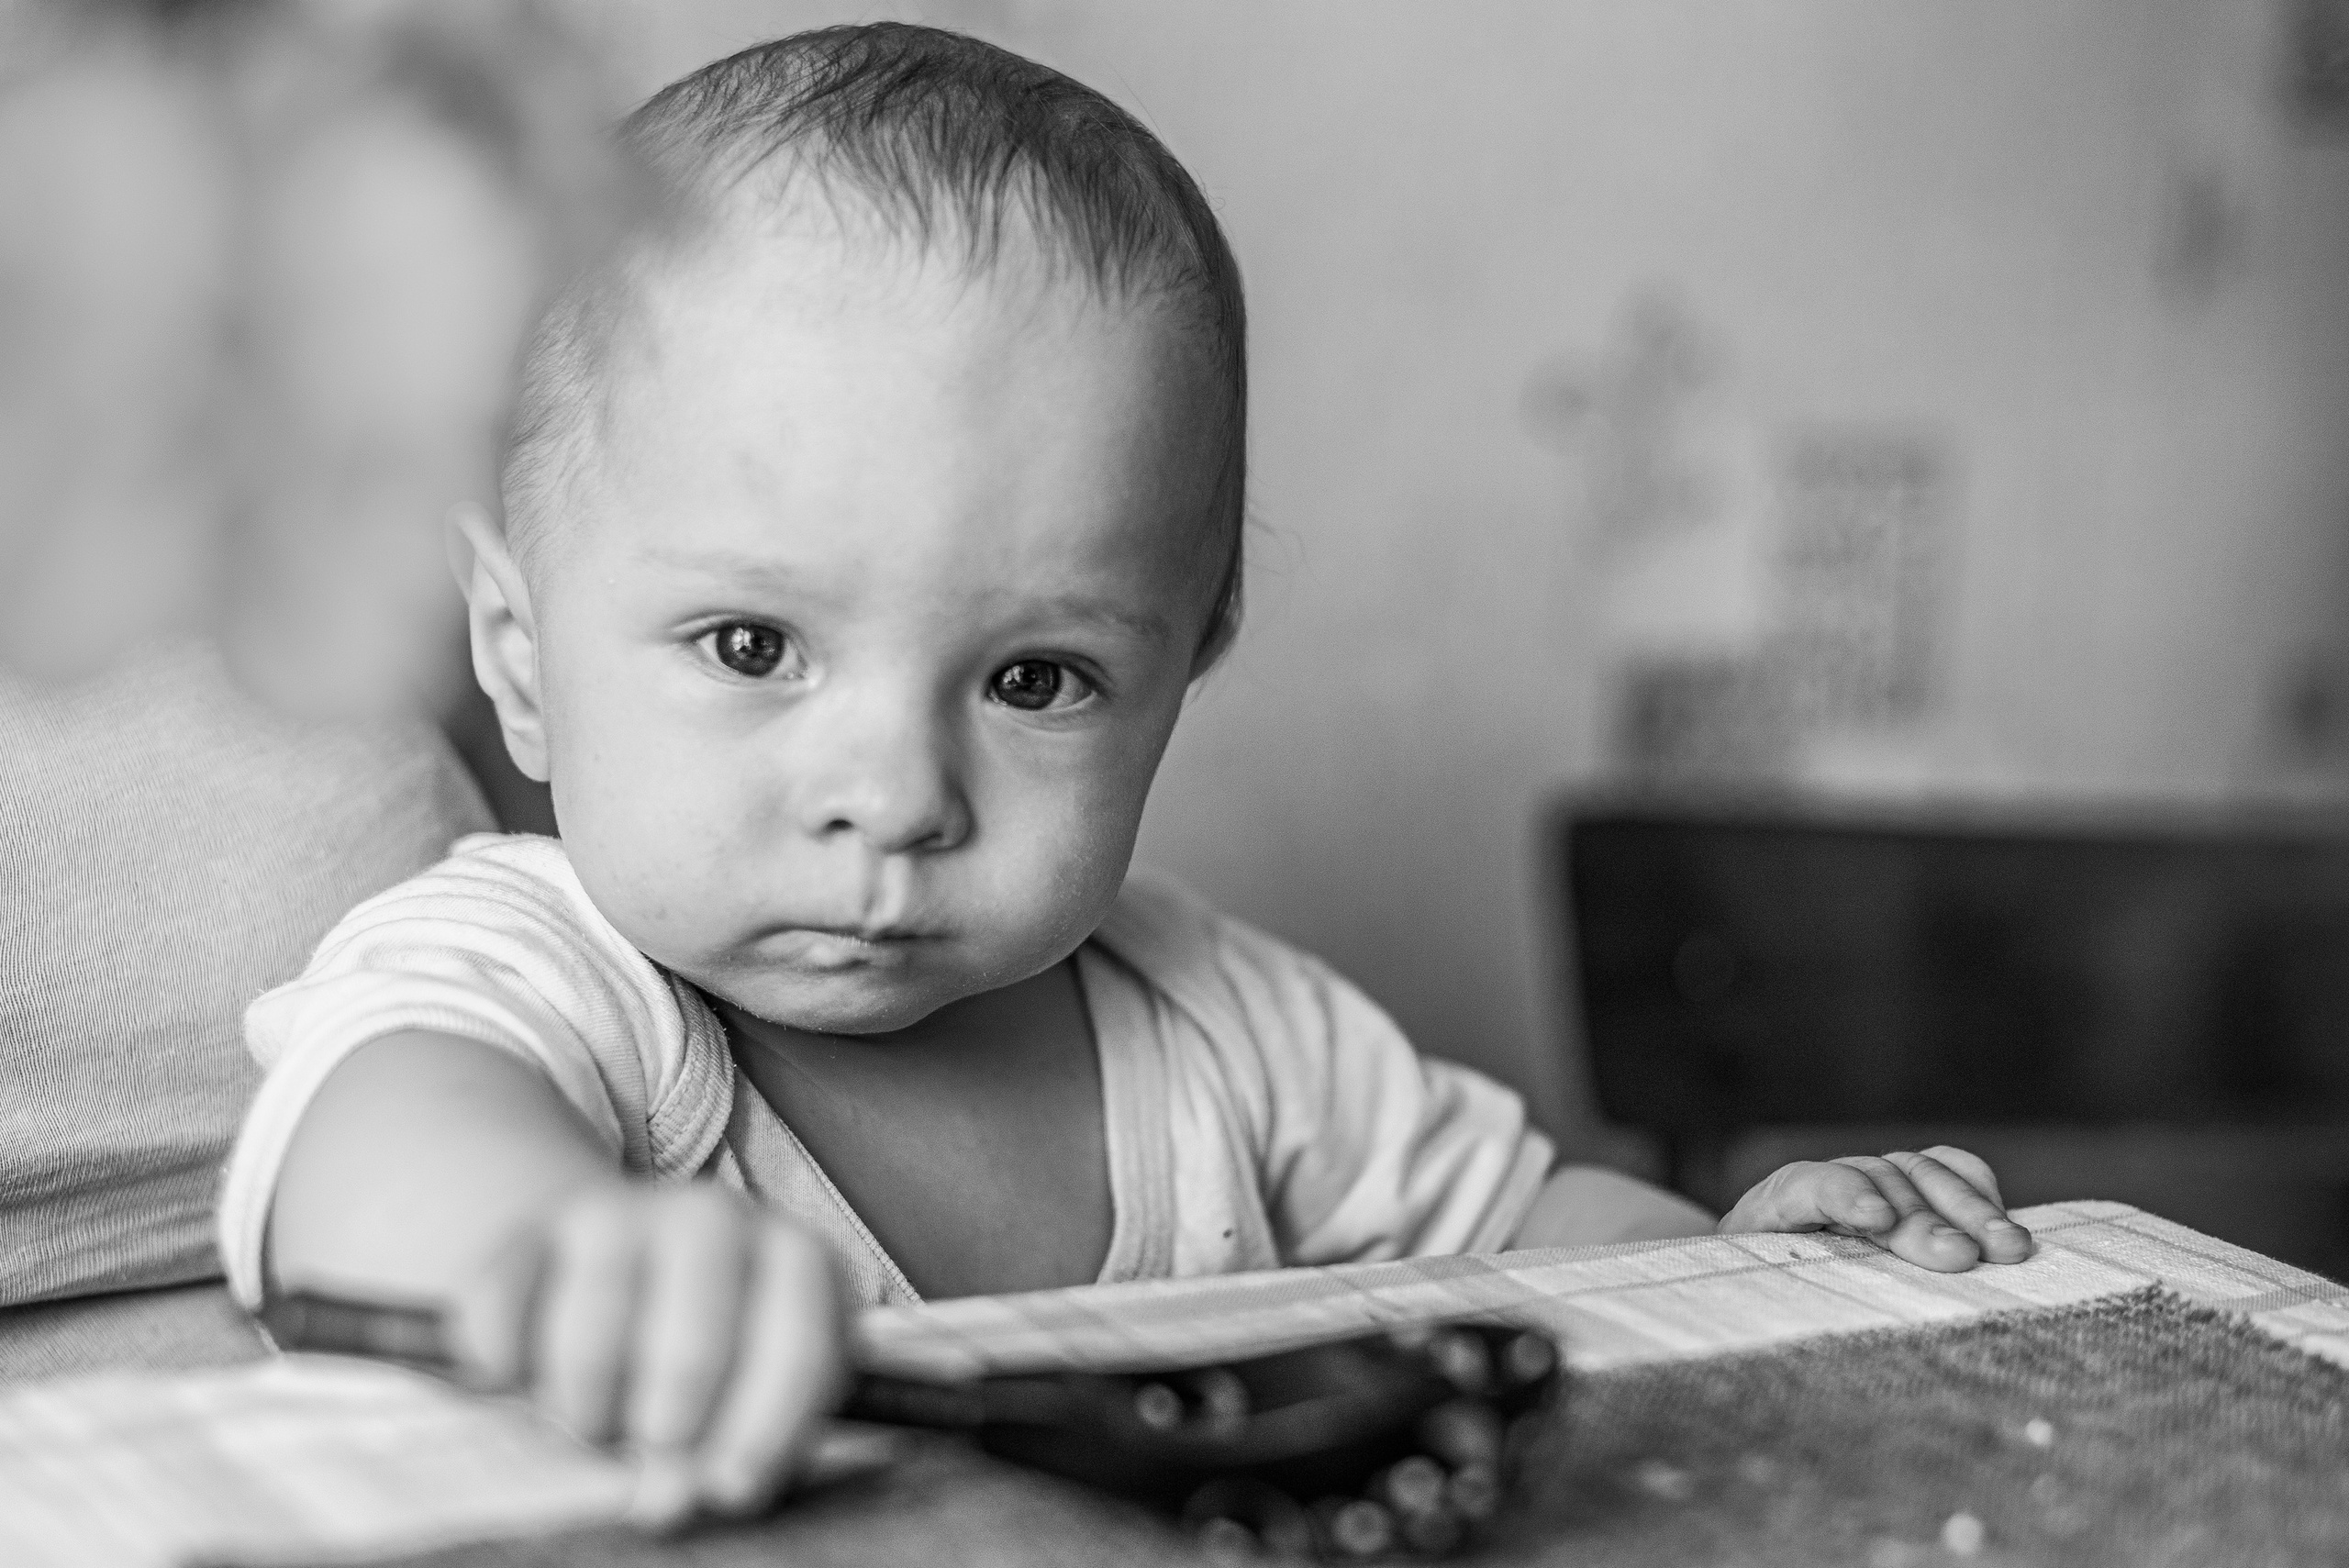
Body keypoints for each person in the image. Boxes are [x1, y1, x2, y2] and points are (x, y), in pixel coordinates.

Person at [217, 23, 2034, 1525]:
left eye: (1032, 676)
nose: (893, 794)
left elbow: (1525, 1238)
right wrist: (571, 1263)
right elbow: (373, 1166)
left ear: (1179, 676)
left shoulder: (1226, 1033)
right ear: (521, 657)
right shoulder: (541, 987)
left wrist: (1735, 1259)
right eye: (752, 647)